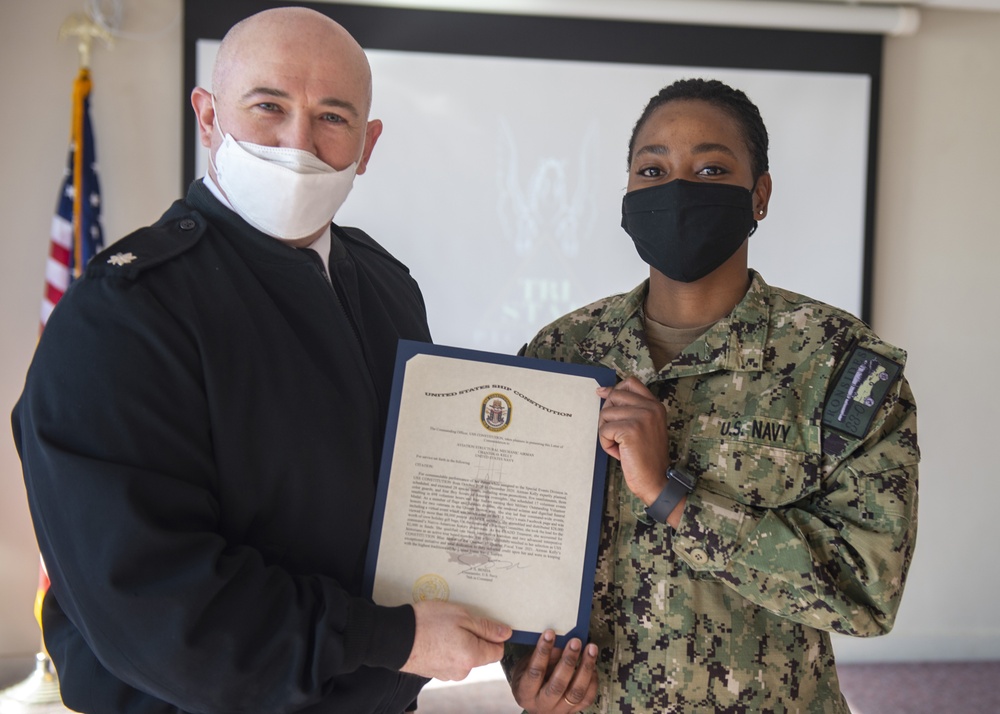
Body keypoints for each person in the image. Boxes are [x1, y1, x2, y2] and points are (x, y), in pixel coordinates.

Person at [12, 8, 512, 714]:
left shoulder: (388, 286)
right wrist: (390, 636)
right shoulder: (123, 315)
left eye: (332, 117)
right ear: (209, 117)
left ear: (367, 146)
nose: (298, 143)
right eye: (268, 106)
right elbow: (166, 617)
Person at [504, 78, 919, 712]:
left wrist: (670, 496)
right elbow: (510, 543)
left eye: (710, 168)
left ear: (760, 195)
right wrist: (522, 668)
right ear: (627, 198)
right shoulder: (562, 353)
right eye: (653, 168)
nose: (677, 189)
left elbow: (865, 591)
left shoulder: (839, 366)